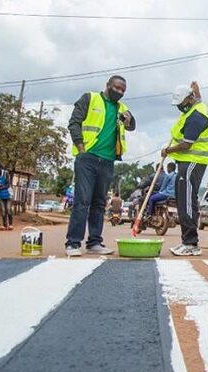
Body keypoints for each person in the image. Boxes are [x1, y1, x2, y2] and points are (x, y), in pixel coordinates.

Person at [64, 75, 136, 257]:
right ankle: (73, 243)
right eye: (117, 88)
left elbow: (131, 126)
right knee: (82, 200)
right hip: (87, 157)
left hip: (108, 160)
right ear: (108, 86)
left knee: (99, 203)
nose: (119, 92)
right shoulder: (90, 98)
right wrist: (81, 148)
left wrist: (128, 120)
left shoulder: (122, 108)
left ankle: (94, 242)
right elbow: (74, 123)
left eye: (123, 91)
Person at [162, 81, 208, 256]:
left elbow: (186, 144)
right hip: (186, 162)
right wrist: (198, 92)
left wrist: (167, 150)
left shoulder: (196, 116)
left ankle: (191, 243)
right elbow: (199, 100)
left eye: (182, 104)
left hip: (193, 161)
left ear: (189, 99)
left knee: (187, 201)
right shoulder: (195, 107)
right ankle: (186, 240)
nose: (180, 108)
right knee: (182, 200)